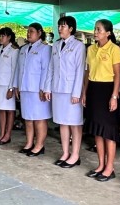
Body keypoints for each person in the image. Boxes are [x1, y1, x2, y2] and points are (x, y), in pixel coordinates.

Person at [82, 19, 120, 182]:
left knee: (108, 132)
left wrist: (114, 96)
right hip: (93, 89)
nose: (96, 32)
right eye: (95, 29)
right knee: (97, 130)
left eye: (99, 29)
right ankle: (100, 165)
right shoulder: (91, 49)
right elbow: (88, 72)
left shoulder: (114, 49)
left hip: (108, 90)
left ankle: (109, 167)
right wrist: (84, 92)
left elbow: (118, 75)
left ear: (108, 33)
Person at [44, 16, 86, 169]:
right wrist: (47, 88)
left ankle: (75, 154)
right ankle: (65, 152)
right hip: (57, 89)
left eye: (63, 26)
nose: (60, 28)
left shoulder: (78, 46)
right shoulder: (55, 45)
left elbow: (80, 70)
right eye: (59, 26)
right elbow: (51, 68)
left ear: (71, 29)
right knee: (62, 122)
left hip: (71, 91)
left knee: (74, 123)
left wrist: (77, 93)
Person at [13, 22, 52, 157]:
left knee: (40, 118)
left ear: (39, 33)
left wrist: (44, 88)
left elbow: (47, 70)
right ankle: (29, 143)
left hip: (37, 89)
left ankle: (39, 145)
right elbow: (18, 69)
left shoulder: (45, 49)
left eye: (31, 31)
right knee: (28, 118)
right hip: (25, 88)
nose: (28, 34)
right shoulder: (23, 49)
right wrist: (16, 85)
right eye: (28, 31)